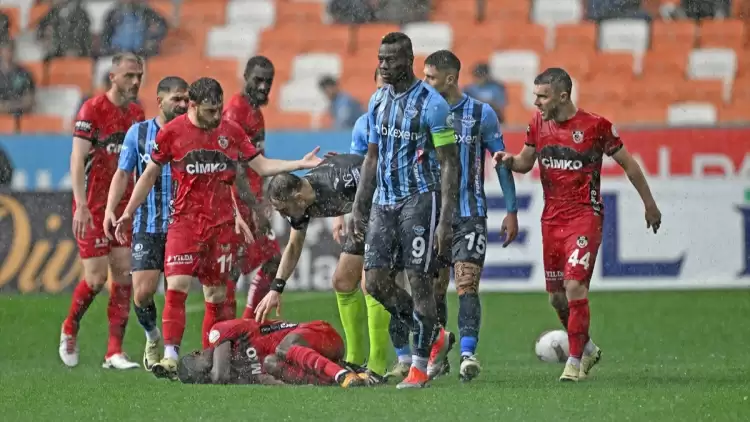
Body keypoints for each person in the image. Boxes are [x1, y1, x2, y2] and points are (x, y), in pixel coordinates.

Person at [113, 77, 322, 381]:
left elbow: (260, 166)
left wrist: (297, 164)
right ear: (193, 106)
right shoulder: (172, 133)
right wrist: (128, 212)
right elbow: (147, 176)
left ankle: (206, 357)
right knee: (178, 286)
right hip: (185, 223)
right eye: (210, 111)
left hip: (222, 227)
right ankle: (170, 356)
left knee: (215, 294)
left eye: (219, 110)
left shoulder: (230, 131)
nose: (216, 117)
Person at [492, 67, 662, 382]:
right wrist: (508, 160)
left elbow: (629, 164)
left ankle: (573, 362)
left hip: (585, 215)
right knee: (556, 297)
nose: (536, 102)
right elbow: (525, 163)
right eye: (535, 95)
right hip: (551, 219)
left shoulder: (596, 126)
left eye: (542, 96)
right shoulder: (537, 124)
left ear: (563, 95)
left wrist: (649, 204)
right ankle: (588, 348)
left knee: (574, 286)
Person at [396, 49, 517, 382]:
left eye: (431, 77)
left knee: (466, 283)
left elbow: (501, 162)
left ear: (450, 78)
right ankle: (440, 349)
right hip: (431, 213)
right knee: (434, 289)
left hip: (470, 214)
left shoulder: (482, 114)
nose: (425, 82)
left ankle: (468, 352)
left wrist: (511, 209)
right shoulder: (420, 113)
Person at [349, 32, 460, 389]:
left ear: (408, 60)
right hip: (384, 202)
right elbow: (371, 158)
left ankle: (419, 367)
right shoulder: (377, 100)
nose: (383, 65)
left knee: (419, 280)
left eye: (391, 59)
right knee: (376, 283)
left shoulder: (432, 105)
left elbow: (448, 164)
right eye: (380, 58)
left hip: (419, 200)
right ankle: (432, 335)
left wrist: (445, 220)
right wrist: (358, 207)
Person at [254, 153, 392, 384]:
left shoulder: (341, 179)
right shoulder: (301, 204)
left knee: (371, 284)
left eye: (283, 209)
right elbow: (294, 245)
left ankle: (377, 366)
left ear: (298, 198)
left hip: (388, 207)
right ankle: (354, 359)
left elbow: (379, 178)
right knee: (342, 281)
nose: (282, 215)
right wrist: (276, 288)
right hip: (364, 218)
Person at [59, 53, 145, 370]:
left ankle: (114, 351)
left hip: (122, 208)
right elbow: (77, 158)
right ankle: (70, 327)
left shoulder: (138, 113)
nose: (135, 81)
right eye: (129, 75)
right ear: (113, 77)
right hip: (94, 207)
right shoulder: (92, 110)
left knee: (123, 273)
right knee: (95, 279)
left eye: (139, 75)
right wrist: (80, 205)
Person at [102, 76, 189, 371]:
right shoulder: (138, 134)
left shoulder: (191, 133)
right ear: (160, 100)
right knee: (142, 293)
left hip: (182, 226)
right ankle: (152, 336)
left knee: (178, 292)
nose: (182, 104)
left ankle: (171, 354)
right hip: (147, 224)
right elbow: (123, 173)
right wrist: (111, 209)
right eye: (176, 98)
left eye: (185, 99)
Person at [222, 56, 281, 322]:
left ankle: (246, 324)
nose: (263, 87)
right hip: (236, 204)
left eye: (268, 82)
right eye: (258, 80)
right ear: (245, 76)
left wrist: (265, 199)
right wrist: (254, 207)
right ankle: (228, 336)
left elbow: (259, 161)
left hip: (252, 201)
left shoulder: (256, 113)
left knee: (271, 260)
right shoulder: (235, 111)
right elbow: (235, 167)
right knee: (231, 272)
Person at [176, 318, 365, 387]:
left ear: (196, 353)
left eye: (203, 370)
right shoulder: (242, 373)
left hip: (321, 333)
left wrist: (212, 378)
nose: (206, 373)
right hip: (319, 358)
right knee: (271, 363)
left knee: (283, 349)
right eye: (202, 376)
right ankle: (351, 376)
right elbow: (273, 381)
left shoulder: (218, 332)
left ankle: (342, 375)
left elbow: (220, 375)